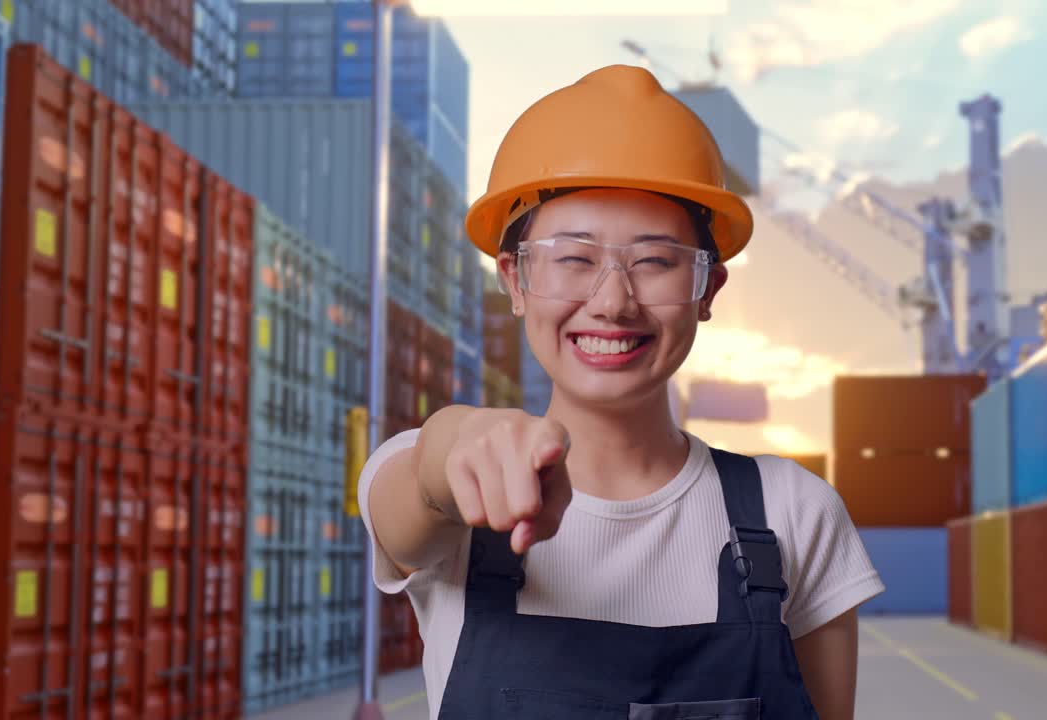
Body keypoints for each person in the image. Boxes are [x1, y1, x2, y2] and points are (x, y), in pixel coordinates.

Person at [358, 64, 884, 719]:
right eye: (573, 259)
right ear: (515, 280)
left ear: (708, 290)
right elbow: (420, 489)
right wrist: (458, 439)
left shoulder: (795, 513)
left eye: (656, 261)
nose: (612, 302)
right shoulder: (455, 489)